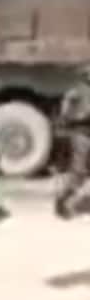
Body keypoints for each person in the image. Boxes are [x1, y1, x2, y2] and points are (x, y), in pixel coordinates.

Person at [55, 64, 90, 219]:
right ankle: (64, 203)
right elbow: (65, 112)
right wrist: (68, 120)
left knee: (80, 171)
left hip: (83, 132)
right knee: (79, 171)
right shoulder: (77, 91)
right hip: (81, 132)